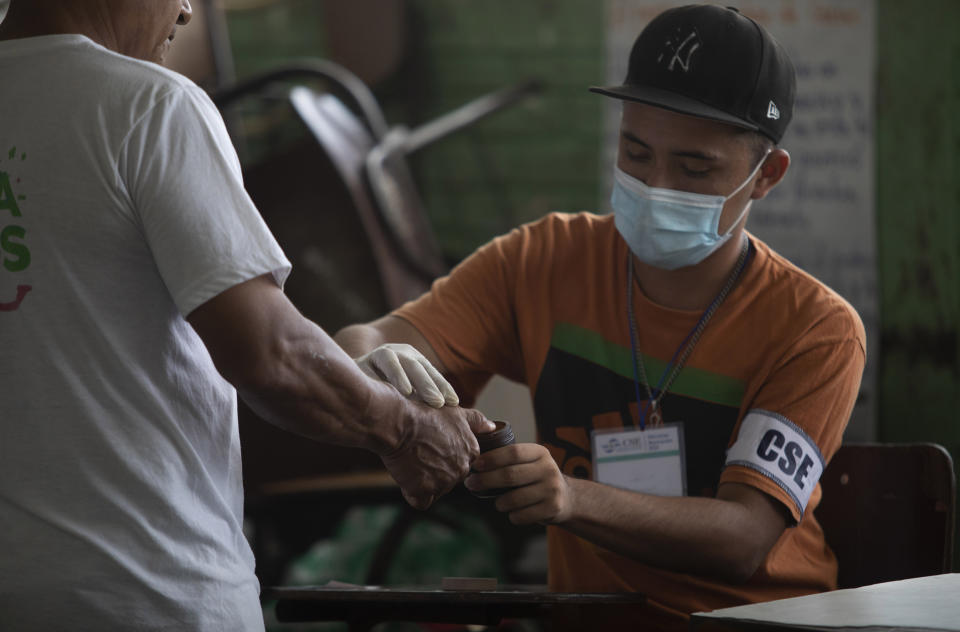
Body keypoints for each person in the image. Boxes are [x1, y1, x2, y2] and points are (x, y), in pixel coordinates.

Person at [335, 4, 866, 630]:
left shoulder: (816, 330)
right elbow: (370, 339)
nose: (656, 183)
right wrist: (367, 358)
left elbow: (743, 537)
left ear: (765, 176)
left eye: (695, 168)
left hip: (757, 620)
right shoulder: (543, 261)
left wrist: (568, 497)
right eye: (636, 152)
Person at [0, 1, 493, 630]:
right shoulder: (146, 106)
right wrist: (405, 430)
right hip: (144, 590)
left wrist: (349, 377)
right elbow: (270, 354)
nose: (183, 10)